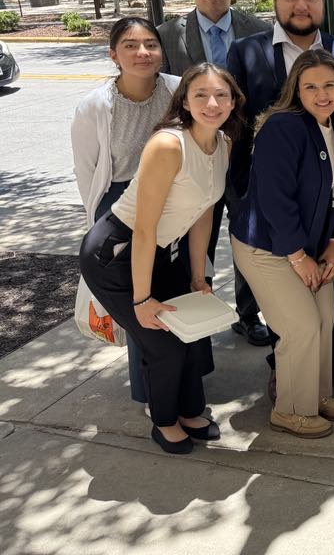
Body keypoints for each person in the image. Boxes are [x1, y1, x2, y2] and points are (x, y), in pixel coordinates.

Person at [79, 63, 246, 454]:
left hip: (161, 252)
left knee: (187, 332)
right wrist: (141, 299)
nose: (212, 103)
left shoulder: (222, 143)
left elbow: (204, 212)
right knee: (162, 344)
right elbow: (143, 228)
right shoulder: (168, 145)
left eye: (221, 95)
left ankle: (189, 411)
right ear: (184, 101)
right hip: (117, 252)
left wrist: (198, 275)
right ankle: (164, 420)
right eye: (201, 95)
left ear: (233, 102)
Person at [227, 0, 334, 400]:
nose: (301, 5)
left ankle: (329, 370)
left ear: (323, 2)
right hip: (269, 204)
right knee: (288, 307)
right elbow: (235, 124)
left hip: (327, 204)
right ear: (275, 1)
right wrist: (240, 193)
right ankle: (285, 371)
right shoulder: (246, 52)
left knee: (327, 296)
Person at [230, 49, 334, 438]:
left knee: (325, 320)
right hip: (268, 247)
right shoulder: (283, 127)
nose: (322, 94)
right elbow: (274, 199)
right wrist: (299, 257)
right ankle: (290, 410)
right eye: (310, 86)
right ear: (295, 90)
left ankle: (316, 396)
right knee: (301, 326)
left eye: (329, 85)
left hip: (313, 244)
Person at [157, 0, 272, 347]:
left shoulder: (258, 30)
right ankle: (194, 308)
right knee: (195, 238)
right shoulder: (167, 35)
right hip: (192, 155)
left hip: (243, 154)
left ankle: (248, 313)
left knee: (246, 235)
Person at [71, 17, 184, 408]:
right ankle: (151, 391)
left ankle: (182, 384)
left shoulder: (177, 90)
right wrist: (98, 223)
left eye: (150, 44)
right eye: (131, 46)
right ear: (113, 55)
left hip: (171, 201)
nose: (142, 53)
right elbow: (87, 171)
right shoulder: (95, 106)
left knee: (172, 294)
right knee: (141, 300)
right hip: (121, 206)